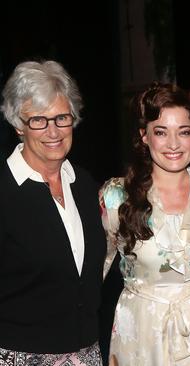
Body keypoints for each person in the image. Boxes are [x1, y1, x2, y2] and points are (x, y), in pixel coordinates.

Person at [100, 83, 190, 365]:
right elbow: (93, 270)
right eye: (161, 132)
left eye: (184, 131)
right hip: (141, 332)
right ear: (144, 136)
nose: (173, 144)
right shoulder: (115, 196)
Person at [0, 61, 105, 364]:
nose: (53, 131)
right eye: (39, 121)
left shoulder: (84, 185)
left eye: (61, 117)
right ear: (18, 124)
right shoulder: (4, 192)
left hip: (86, 354)